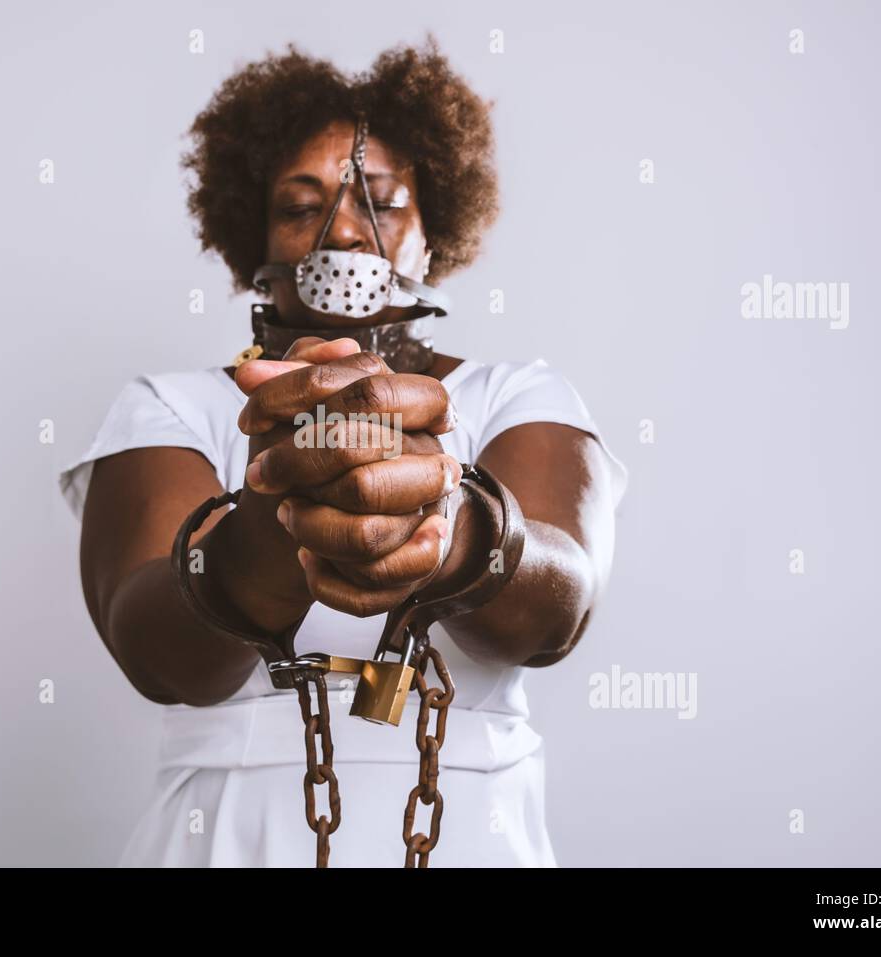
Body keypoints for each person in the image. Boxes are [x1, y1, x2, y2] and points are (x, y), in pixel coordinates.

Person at [59, 38, 628, 867]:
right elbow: (156, 650)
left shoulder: (518, 395)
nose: (346, 233)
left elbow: (556, 609)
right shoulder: (170, 406)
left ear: (433, 239)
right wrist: (278, 513)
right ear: (252, 240)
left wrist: (452, 522)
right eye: (301, 206)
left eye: (384, 203)